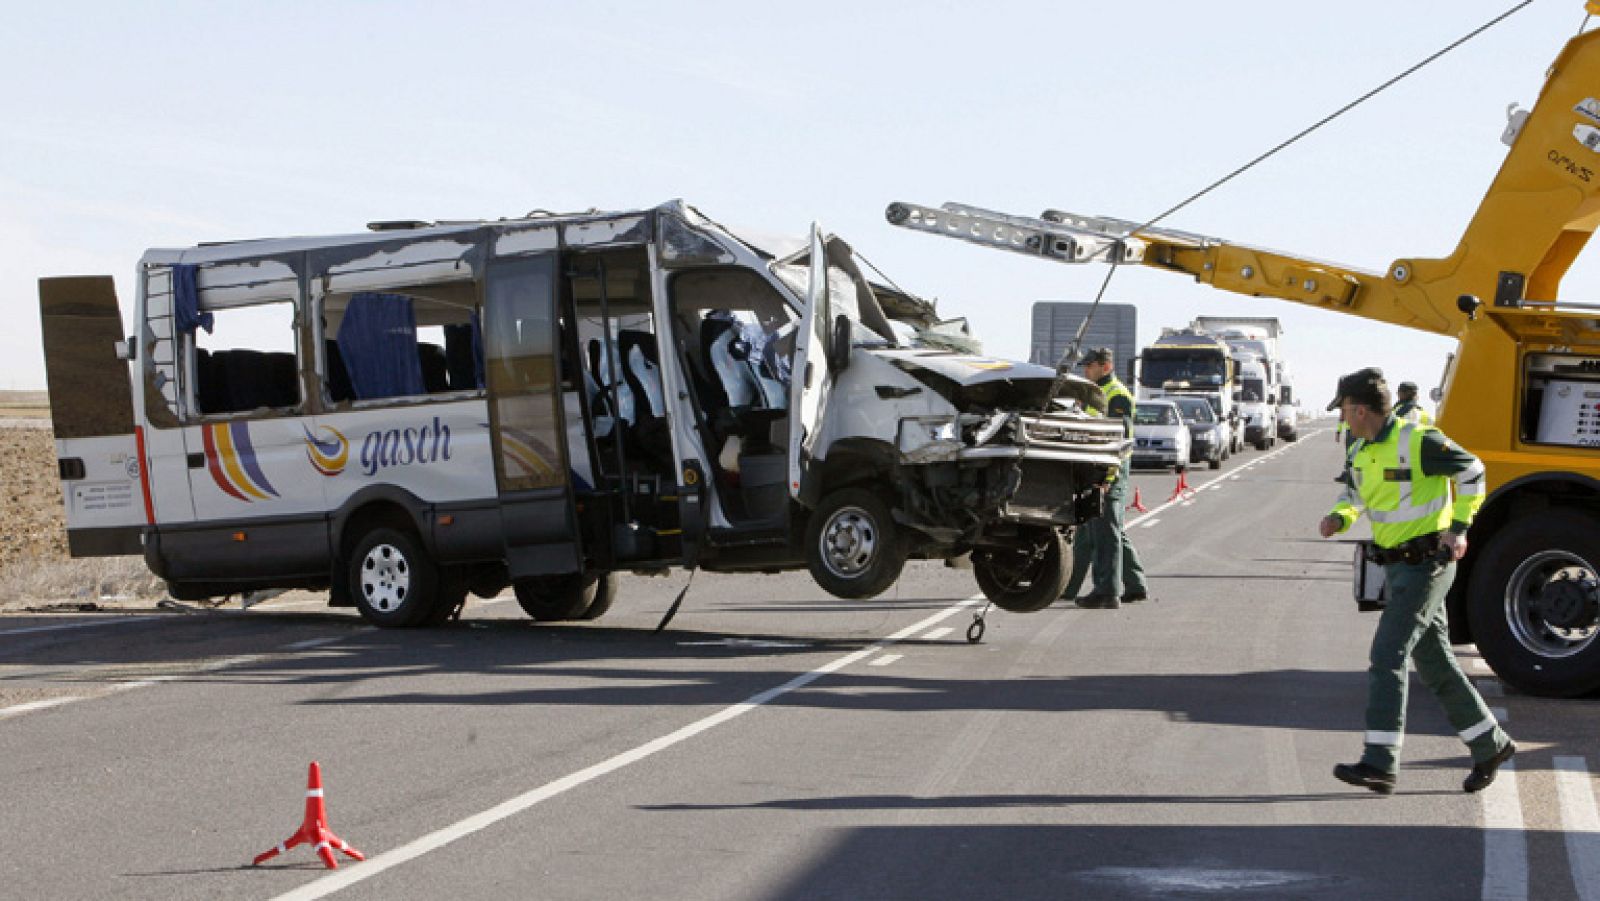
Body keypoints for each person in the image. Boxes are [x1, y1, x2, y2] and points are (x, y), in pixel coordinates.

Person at [1318, 367, 1514, 794]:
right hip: (1396, 568)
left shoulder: (1417, 441)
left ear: (1362, 409)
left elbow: (1474, 472)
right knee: (1435, 664)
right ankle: (1490, 744)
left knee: (1387, 654)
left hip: (1429, 566)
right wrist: (1339, 517)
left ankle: (1379, 761)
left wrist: (1459, 528)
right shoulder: (1360, 448)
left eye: (1345, 411)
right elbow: (1352, 493)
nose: (1342, 419)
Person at [1062, 347, 1148, 609]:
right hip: (1096, 467)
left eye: (1090, 366)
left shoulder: (1117, 396)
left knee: (1105, 532)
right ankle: (1134, 585)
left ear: (1105, 367)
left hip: (1108, 469)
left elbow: (1117, 442)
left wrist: (1107, 478)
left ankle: (1106, 591)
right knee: (1101, 530)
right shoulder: (1095, 394)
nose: (1086, 371)